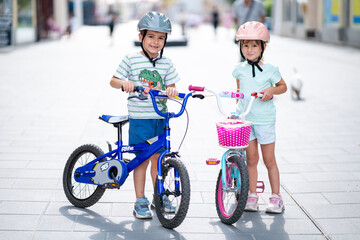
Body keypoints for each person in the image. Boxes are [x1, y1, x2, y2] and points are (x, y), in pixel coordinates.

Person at [109, 12, 179, 219]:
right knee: (141, 160)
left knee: (159, 159)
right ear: (141, 37)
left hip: (161, 119)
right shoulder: (131, 59)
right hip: (140, 119)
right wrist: (125, 84)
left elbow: (172, 85)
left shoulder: (166, 63)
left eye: (161, 38)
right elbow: (113, 80)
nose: (155, 42)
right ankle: (140, 200)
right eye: (151, 36)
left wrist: (172, 90)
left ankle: (160, 195)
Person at [232, 21, 287, 213]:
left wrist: (272, 90)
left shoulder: (271, 68)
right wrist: (236, 113)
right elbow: (239, 93)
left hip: (265, 120)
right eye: (245, 45)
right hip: (247, 121)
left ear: (263, 46)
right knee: (251, 159)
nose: (249, 49)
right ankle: (252, 195)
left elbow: (283, 87)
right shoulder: (239, 69)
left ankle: (276, 197)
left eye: (254, 45)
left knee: (269, 159)